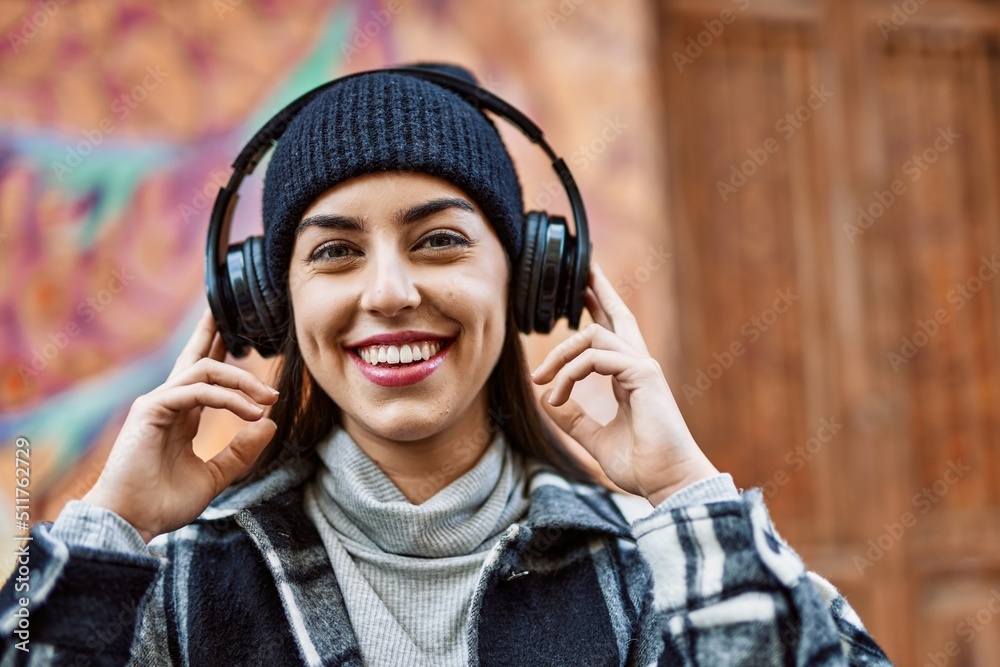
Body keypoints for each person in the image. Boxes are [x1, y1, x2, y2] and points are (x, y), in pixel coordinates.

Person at [0, 64, 894, 666]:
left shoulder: (648, 565)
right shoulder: (182, 584)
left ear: (532, 279)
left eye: (438, 241)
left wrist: (685, 490)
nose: (388, 291)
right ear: (267, 303)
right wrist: (108, 528)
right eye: (335, 252)